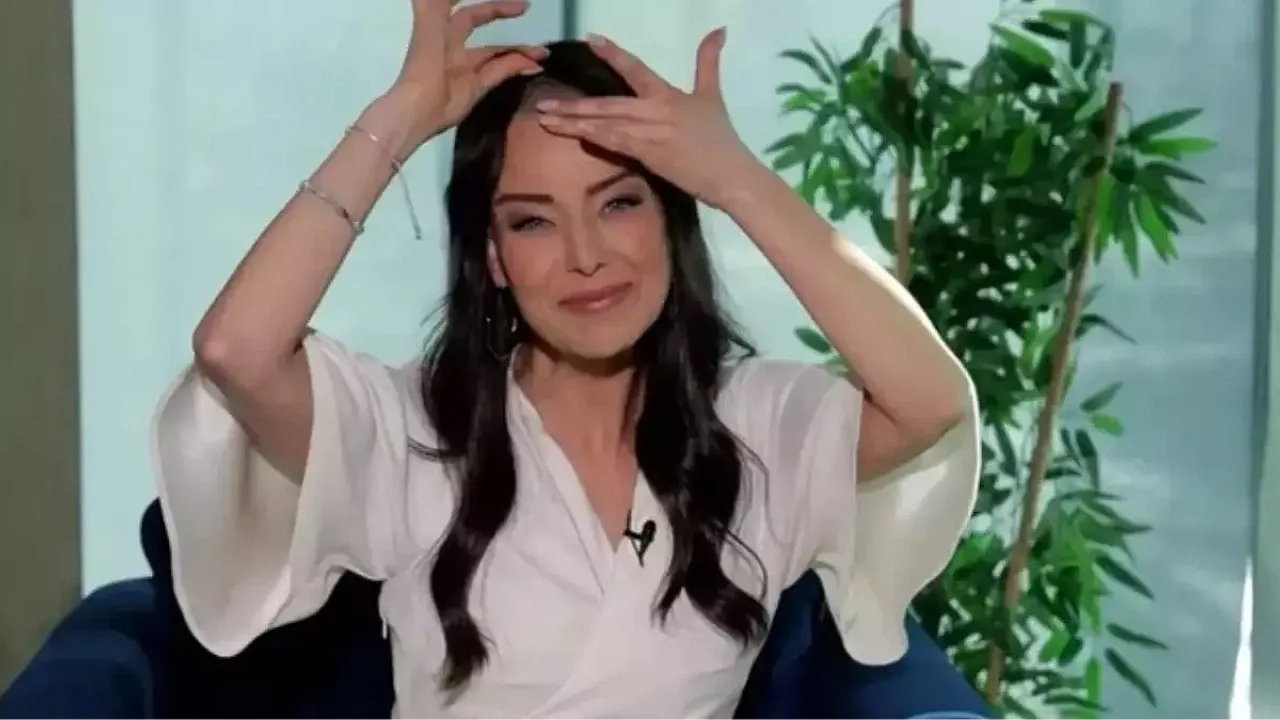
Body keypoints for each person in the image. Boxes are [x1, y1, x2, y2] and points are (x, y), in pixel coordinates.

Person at [152, 0, 980, 717]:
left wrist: (738, 181)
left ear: (670, 220)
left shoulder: (756, 428)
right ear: (495, 258)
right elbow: (235, 351)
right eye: (533, 221)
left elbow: (929, 402)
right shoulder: (415, 432)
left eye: (619, 203)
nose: (586, 257)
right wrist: (399, 119)